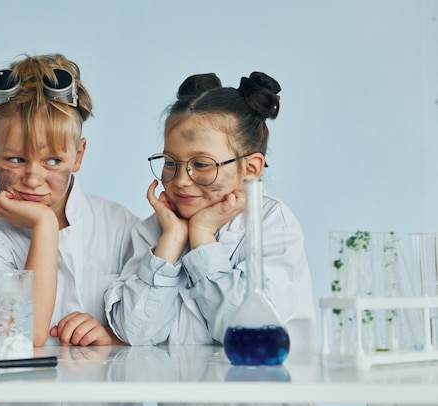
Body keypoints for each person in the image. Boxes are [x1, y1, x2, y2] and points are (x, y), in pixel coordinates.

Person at [105, 71, 316, 355]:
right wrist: (172, 240)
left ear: (251, 169)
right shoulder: (157, 230)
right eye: (170, 162)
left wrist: (202, 236)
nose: (180, 180)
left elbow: (248, 332)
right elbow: (134, 331)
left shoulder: (273, 224)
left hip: (261, 396)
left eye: (202, 164)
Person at [0, 53, 139, 349]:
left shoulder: (120, 226)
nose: (32, 178)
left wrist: (112, 338)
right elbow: (23, 335)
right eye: (16, 159)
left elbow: (160, 330)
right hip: (29, 395)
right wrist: (44, 225)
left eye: (53, 160)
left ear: (78, 156)